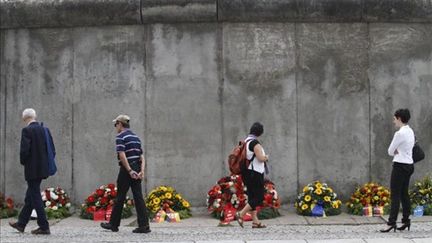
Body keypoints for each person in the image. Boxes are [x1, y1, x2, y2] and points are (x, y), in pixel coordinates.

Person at [101, 115, 150, 233]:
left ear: (119, 124)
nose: (115, 127)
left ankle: (113, 224)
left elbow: (122, 155)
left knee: (120, 196)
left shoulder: (120, 136)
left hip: (126, 168)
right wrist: (141, 171)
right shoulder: (136, 137)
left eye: (115, 125)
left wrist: (129, 170)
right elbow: (142, 157)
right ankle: (144, 226)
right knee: (138, 197)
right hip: (137, 167)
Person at [9, 108, 53, 235]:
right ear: (35, 116)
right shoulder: (44, 130)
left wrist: (23, 162)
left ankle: (44, 226)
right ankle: (21, 224)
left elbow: (24, 151)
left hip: (31, 169)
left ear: (24, 118)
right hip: (43, 169)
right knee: (31, 195)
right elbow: (52, 149)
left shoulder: (27, 130)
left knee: (35, 195)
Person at [381, 109, 415, 233]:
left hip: (400, 166)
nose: (393, 121)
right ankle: (406, 220)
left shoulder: (399, 134)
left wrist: (396, 151)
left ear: (399, 118)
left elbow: (390, 151)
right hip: (409, 165)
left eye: (394, 118)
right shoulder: (410, 131)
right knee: (404, 194)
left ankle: (391, 223)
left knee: (395, 195)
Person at [236, 122, 269, 228]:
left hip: (247, 173)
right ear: (260, 132)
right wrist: (266, 157)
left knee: (252, 197)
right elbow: (260, 158)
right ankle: (241, 214)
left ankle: (255, 221)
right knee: (259, 197)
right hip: (255, 173)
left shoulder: (246, 141)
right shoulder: (255, 143)